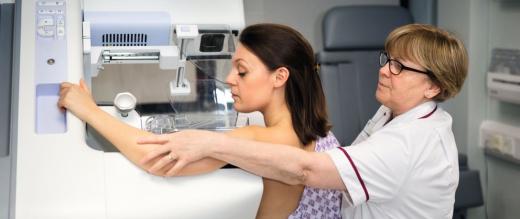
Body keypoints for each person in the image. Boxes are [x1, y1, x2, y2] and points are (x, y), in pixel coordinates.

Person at [138, 23, 468, 219]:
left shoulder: (410, 141)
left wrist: (212, 143)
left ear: (433, 86)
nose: (383, 69)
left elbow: (306, 169)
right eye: (388, 60)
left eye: (399, 67)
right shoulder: (398, 114)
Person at [59, 23, 342, 218]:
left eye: (242, 72)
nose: (230, 79)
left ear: (280, 77)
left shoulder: (268, 139)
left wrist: (88, 110)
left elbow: (155, 158)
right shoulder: (319, 134)